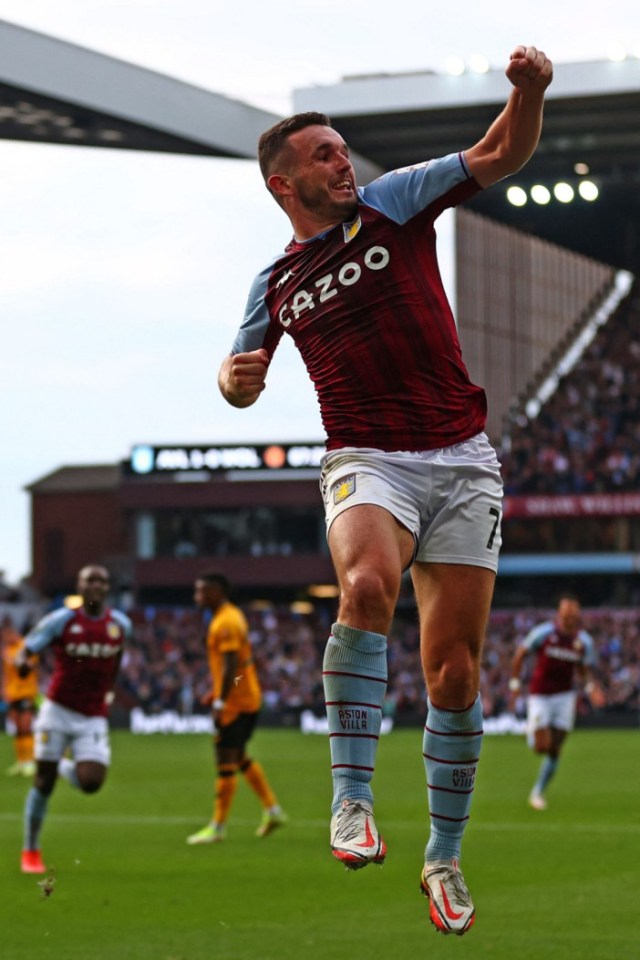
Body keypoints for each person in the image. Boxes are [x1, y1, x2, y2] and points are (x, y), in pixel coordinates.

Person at [218, 44, 552, 935]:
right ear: (285, 185)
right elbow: (237, 372)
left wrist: (529, 93)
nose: (342, 160)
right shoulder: (275, 282)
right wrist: (237, 380)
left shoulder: (393, 202)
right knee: (365, 587)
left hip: (463, 457)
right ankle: (351, 801)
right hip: (368, 455)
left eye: (341, 148)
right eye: (323, 154)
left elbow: (498, 155)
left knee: (454, 674)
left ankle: (443, 856)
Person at [16, 565, 132, 874]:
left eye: (102, 580)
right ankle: (31, 851)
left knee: (92, 783)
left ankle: (62, 764)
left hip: (93, 714)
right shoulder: (61, 620)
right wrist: (24, 665)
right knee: (44, 782)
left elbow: (117, 658)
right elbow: (25, 649)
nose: (96, 585)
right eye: (89, 580)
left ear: (108, 588)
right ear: (79, 587)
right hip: (58, 709)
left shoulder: (120, 624)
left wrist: (109, 690)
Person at [186, 572, 287, 845]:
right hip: (243, 697)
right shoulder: (228, 616)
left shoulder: (226, 622)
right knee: (239, 755)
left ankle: (217, 827)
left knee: (225, 759)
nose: (197, 597)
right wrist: (217, 692)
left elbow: (232, 665)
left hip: (237, 703)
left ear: (218, 592)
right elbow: (240, 666)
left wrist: (221, 701)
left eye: (202, 591)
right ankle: (272, 810)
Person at [509, 594, 597, 811]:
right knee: (541, 747)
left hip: (565, 697)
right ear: (560, 614)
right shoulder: (544, 633)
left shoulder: (584, 641)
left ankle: (537, 792)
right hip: (540, 695)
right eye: (565, 613)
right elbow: (520, 654)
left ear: (577, 616)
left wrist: (590, 688)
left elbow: (583, 669)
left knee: (555, 748)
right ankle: (530, 730)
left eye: (573, 613)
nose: (569, 617)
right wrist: (515, 684)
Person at [1, 617, 39, 777]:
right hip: (12, 694)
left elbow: (30, 667)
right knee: (17, 728)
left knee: (25, 727)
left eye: (6, 635)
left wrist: (20, 662)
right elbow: (6, 674)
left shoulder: (26, 647)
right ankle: (21, 760)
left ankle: (30, 761)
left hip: (26, 693)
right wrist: (4, 690)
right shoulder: (6, 651)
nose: (4, 638)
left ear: (12, 633)